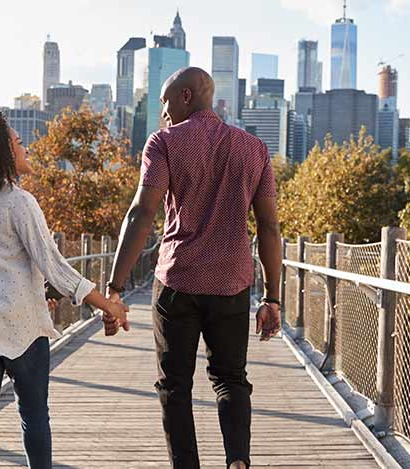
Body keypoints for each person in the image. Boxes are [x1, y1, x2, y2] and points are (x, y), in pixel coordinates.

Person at [0, 104, 129, 469]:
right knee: (34, 417)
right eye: (19, 142)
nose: (26, 148)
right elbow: (54, 266)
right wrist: (109, 305)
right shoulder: (19, 203)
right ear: (0, 153)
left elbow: (0, 266)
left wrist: (39, 292)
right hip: (23, 329)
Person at [106, 67, 283, 469]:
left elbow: (142, 214)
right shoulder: (253, 148)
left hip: (177, 283)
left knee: (175, 387)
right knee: (230, 379)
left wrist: (115, 285)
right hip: (232, 284)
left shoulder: (164, 143)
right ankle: (238, 462)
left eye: (165, 102)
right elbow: (270, 227)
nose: (163, 113)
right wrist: (273, 297)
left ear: (185, 96)